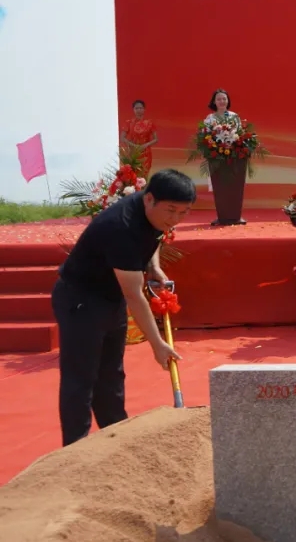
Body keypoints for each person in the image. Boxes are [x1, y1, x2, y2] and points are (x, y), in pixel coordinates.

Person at [51, 169, 195, 446]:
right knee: (81, 379)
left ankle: (116, 441)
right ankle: (75, 451)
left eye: (183, 212)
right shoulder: (121, 227)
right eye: (171, 211)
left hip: (111, 297)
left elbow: (154, 236)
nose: (175, 219)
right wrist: (157, 344)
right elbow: (134, 295)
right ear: (149, 199)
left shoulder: (153, 213)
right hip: (80, 299)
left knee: (111, 375)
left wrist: (153, 266)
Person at [120, 99, 157, 177]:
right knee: (133, 175)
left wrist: (146, 145)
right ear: (133, 110)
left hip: (146, 153)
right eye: (136, 108)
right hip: (133, 153)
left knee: (144, 175)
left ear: (144, 109)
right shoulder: (128, 123)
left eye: (140, 108)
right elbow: (122, 138)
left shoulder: (149, 123)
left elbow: (156, 139)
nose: (139, 110)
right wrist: (134, 146)